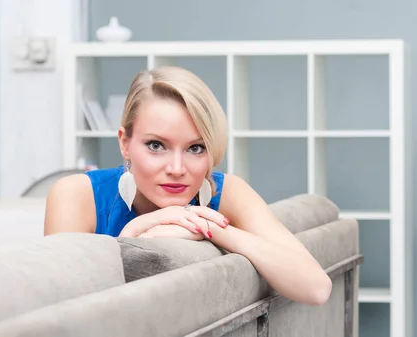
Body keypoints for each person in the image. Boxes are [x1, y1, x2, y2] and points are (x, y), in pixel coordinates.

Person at [44, 66, 332, 306]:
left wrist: (214, 229)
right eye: (156, 145)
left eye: (196, 148)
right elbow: (64, 311)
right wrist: (137, 231)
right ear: (125, 143)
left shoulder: (227, 192)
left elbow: (317, 288)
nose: (177, 169)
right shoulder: (76, 195)